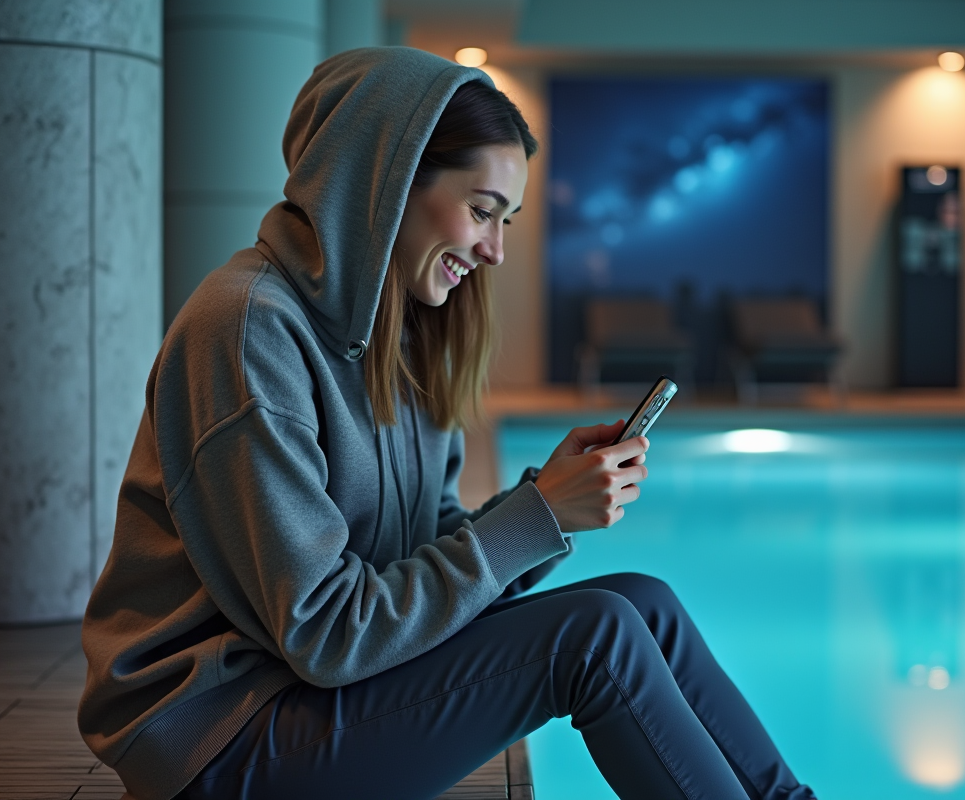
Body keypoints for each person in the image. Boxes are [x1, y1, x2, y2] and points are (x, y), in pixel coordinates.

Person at [77, 47, 816, 800]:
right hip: (220, 734)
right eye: (481, 211)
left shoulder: (404, 336)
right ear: (384, 184)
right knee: (595, 634)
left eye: (506, 221)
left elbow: (425, 557)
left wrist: (545, 505)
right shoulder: (245, 331)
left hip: (314, 690)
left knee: (642, 602)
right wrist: (537, 515)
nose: (495, 250)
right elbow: (328, 632)